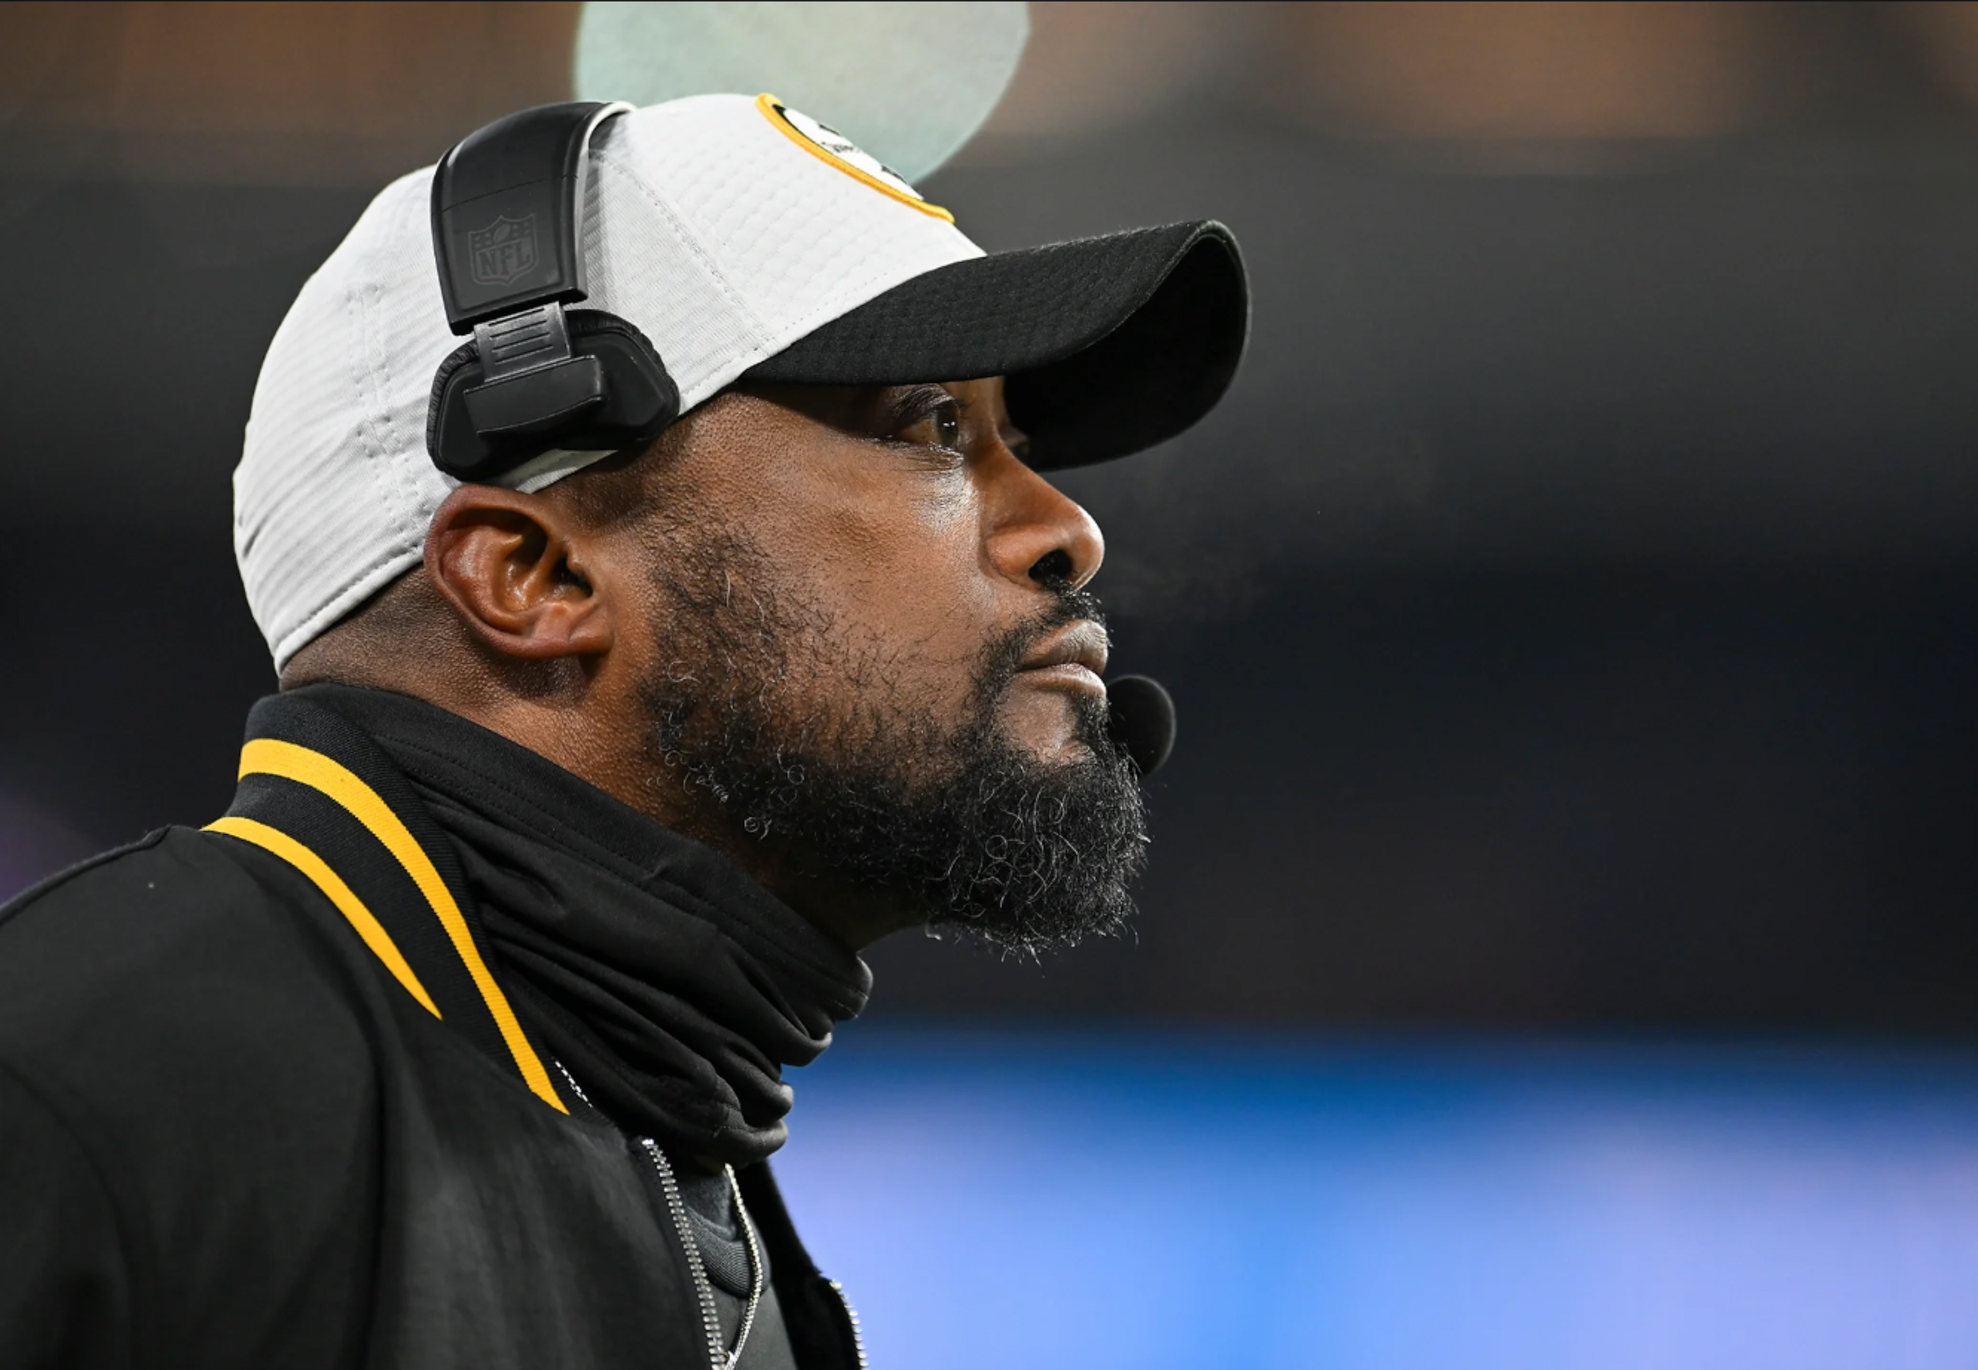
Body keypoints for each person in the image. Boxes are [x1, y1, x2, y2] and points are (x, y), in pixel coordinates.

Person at [0, 93, 1245, 1368]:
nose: (1067, 528)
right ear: (532, 575)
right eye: (930, 426)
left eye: (1009, 439)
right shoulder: (86, 1086)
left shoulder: (671, 1152)